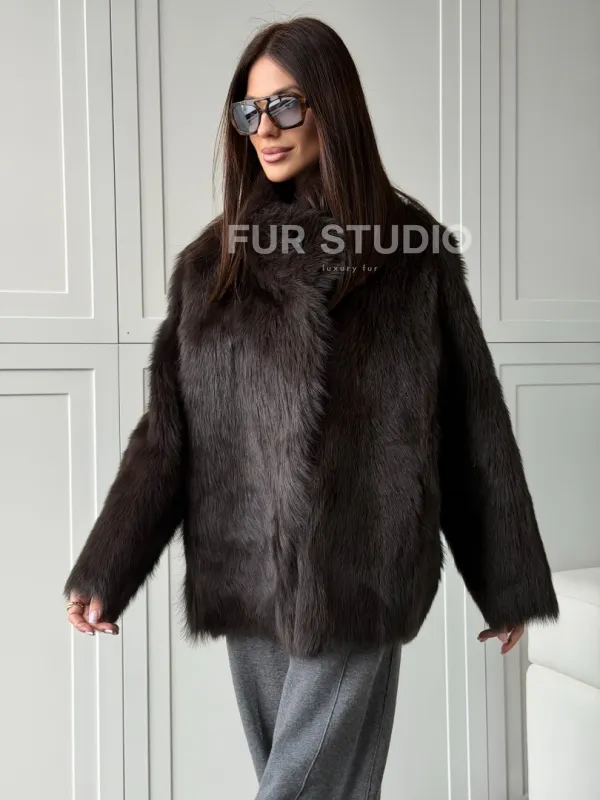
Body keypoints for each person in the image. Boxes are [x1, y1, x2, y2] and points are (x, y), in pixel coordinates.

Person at [63, 16, 559, 799]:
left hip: (363, 566)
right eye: (249, 111)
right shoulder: (212, 266)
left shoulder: (411, 254)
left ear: (333, 105)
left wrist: (505, 579)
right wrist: (107, 567)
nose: (265, 129)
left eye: (286, 105)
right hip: (246, 566)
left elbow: (471, 423)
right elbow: (166, 435)